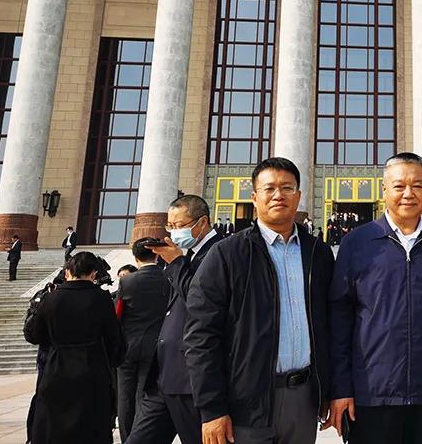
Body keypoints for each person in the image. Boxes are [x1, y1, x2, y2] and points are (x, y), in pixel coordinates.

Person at [185, 157, 334, 444]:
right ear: (254, 198)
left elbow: (329, 326)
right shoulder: (228, 254)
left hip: (303, 399)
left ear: (298, 196)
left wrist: (327, 389)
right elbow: (201, 336)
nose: (279, 195)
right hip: (246, 401)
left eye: (287, 188)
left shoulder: (318, 253)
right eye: (269, 188)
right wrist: (212, 408)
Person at [329, 152, 422, 443]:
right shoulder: (357, 243)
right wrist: (341, 388)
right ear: (384, 189)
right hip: (372, 394)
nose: (408, 193)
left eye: (417, 185)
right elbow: (340, 319)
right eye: (399, 185)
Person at [125, 194, 220, 444]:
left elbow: (201, 301)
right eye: (170, 225)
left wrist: (176, 262)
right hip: (163, 375)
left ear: (202, 222)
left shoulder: (220, 252)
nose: (174, 231)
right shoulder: (187, 255)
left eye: (179, 225)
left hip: (191, 379)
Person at [23, 250, 125, 444]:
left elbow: (36, 335)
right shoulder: (101, 298)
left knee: (54, 423)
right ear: (93, 273)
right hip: (92, 367)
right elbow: (114, 337)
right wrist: (112, 363)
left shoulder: (51, 298)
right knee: (91, 424)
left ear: (68, 271)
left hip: (57, 367)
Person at [115, 238, 173, 442]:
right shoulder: (169, 279)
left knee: (125, 397)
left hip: (128, 346)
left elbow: (118, 314)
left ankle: (127, 438)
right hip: (156, 346)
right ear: (157, 255)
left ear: (135, 257)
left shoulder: (127, 281)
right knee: (145, 396)